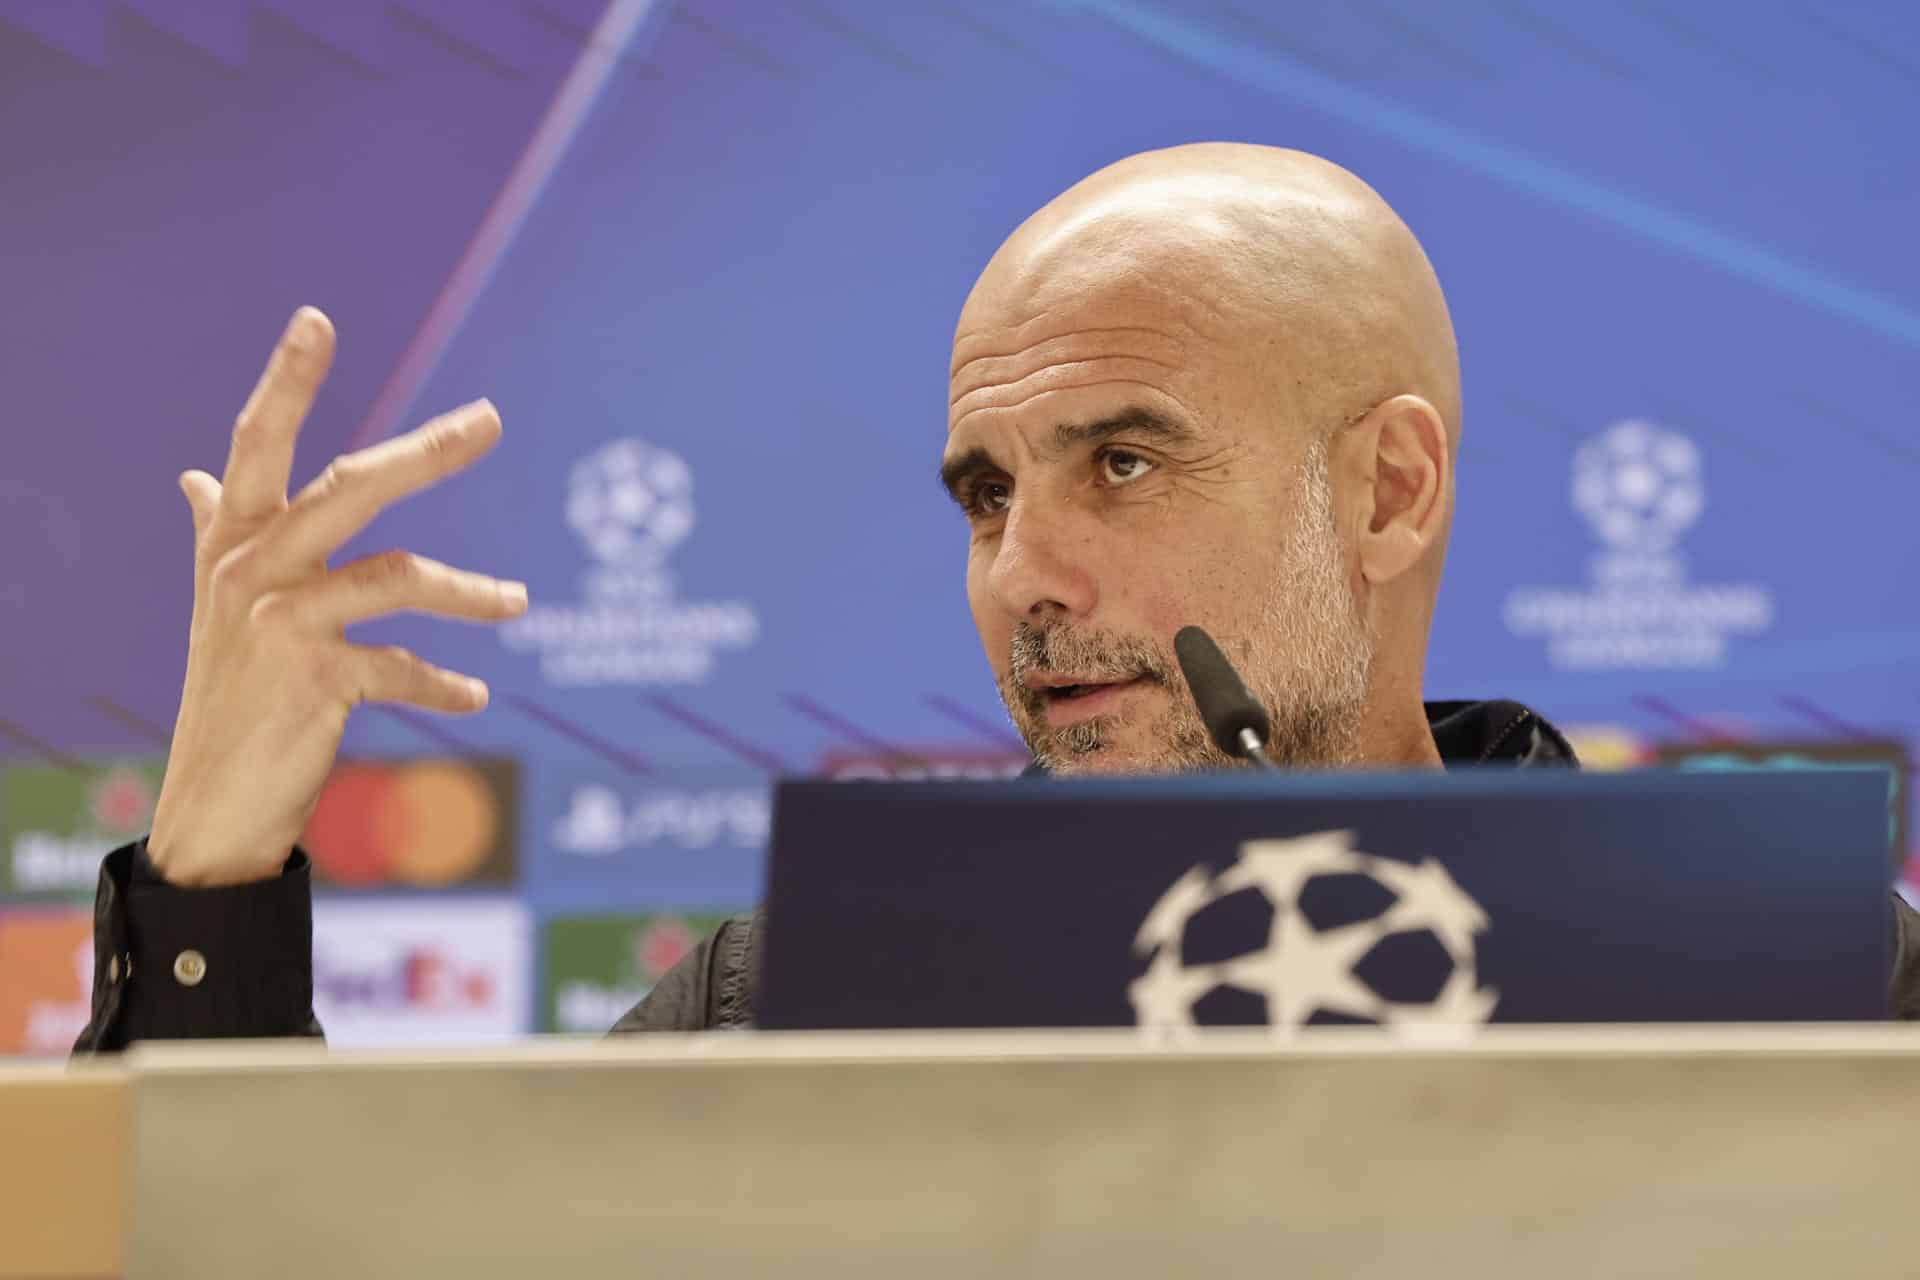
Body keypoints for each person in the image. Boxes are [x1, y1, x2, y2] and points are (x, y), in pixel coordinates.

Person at [73, 144, 1920, 1048]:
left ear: (1389, 489)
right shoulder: (800, 1003)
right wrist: (212, 877)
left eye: (1124, 462)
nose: (1023, 575)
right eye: (984, 494)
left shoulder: (1806, 984)